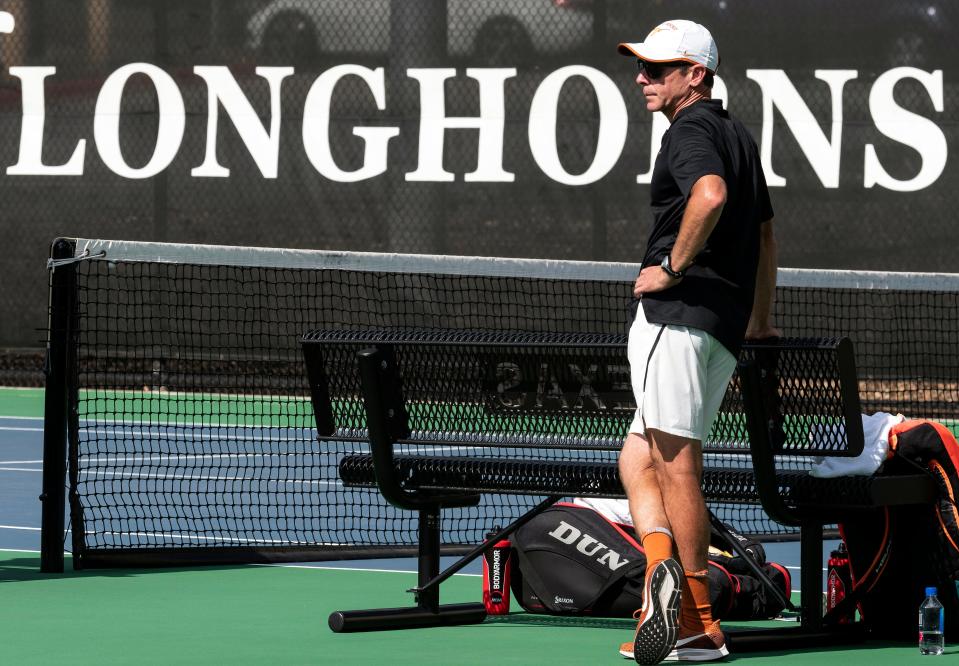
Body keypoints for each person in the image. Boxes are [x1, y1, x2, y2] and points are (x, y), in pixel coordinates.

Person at [615, 20, 779, 664]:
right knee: (636, 458)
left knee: (677, 466)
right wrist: (760, 319)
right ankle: (663, 571)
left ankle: (697, 620)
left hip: (676, 317)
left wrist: (672, 268)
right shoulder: (736, 133)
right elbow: (765, 233)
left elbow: (708, 196)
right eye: (644, 67)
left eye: (658, 69)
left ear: (696, 76)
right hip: (722, 330)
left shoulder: (691, 130)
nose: (643, 78)